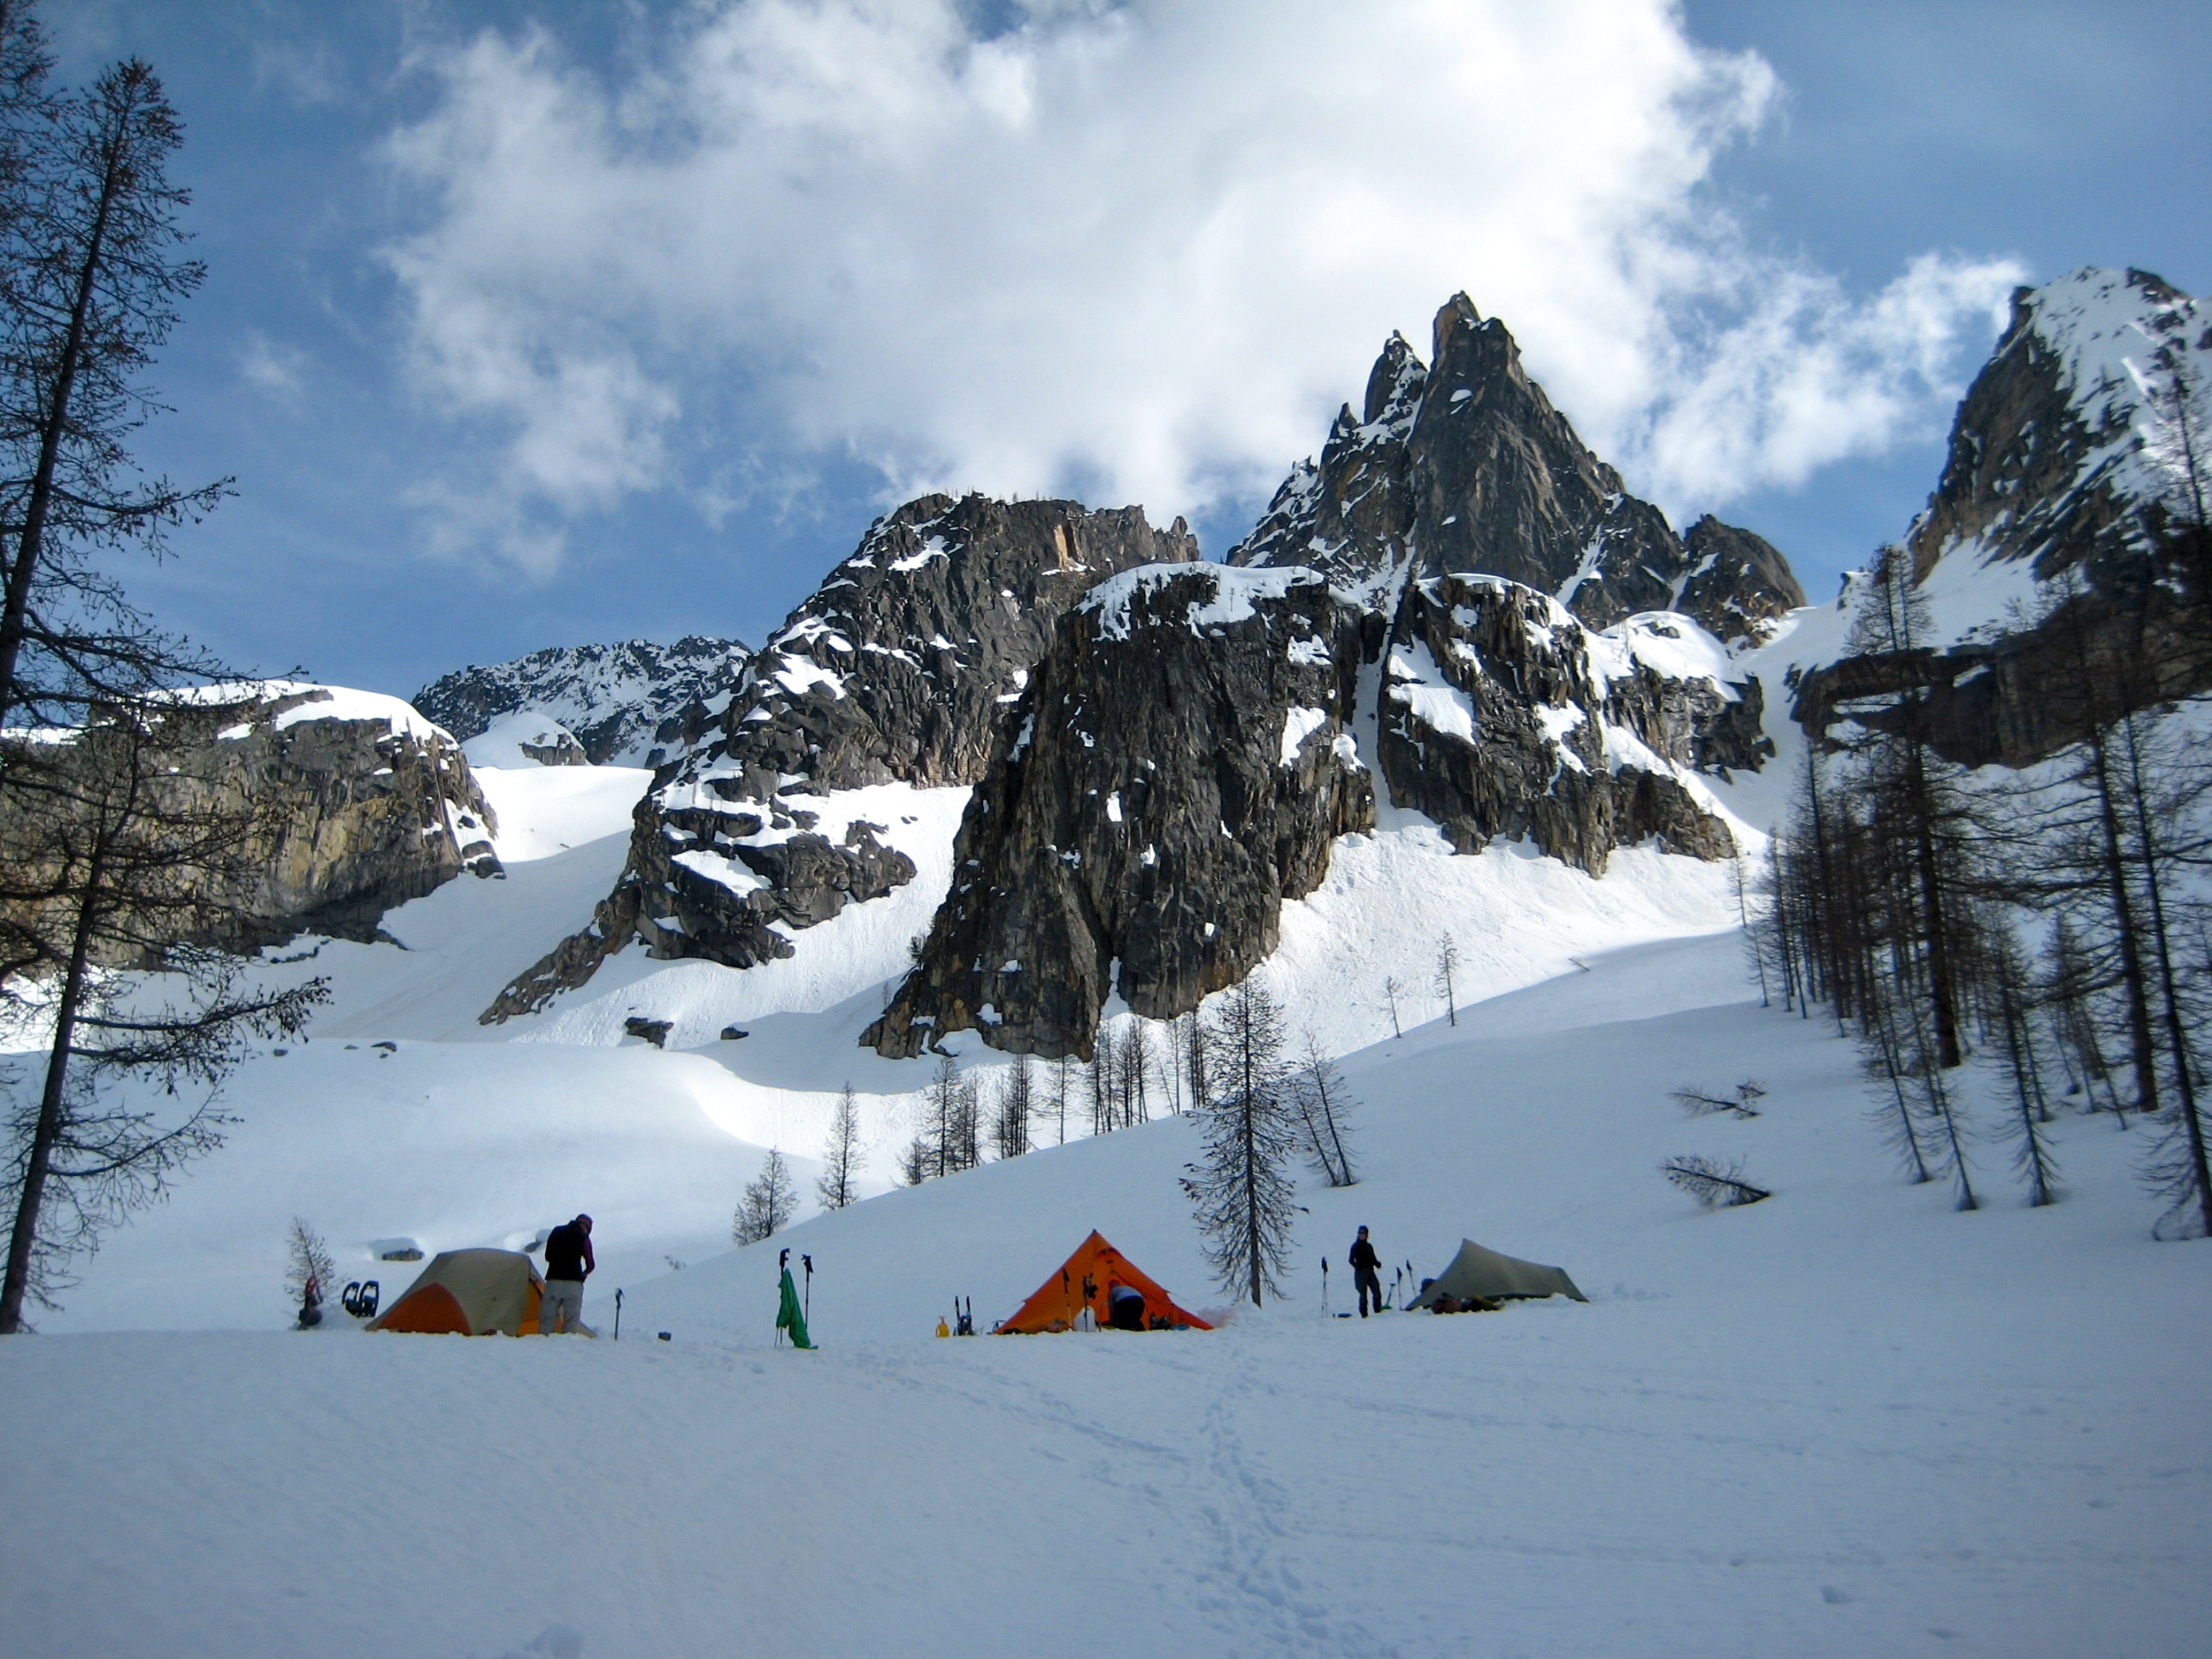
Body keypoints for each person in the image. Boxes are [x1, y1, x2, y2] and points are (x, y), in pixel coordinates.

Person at [541, 1214, 594, 1335]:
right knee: (571, 1320)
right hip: (574, 1283)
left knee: (548, 1318)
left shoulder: (557, 1231)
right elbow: (590, 1264)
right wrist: (584, 1274)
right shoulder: (584, 1237)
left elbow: (548, 1256)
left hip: (553, 1281)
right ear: (587, 1227)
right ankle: (567, 1348)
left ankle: (543, 1346)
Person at [1349, 1225, 1385, 1317]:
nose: (1362, 1235)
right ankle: (1364, 1315)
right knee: (1363, 1294)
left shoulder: (1369, 1246)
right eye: (1360, 1233)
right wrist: (1357, 1267)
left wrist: (1377, 1264)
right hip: (1360, 1273)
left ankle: (1378, 1311)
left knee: (1376, 1291)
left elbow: (1373, 1258)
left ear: (1366, 1235)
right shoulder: (1355, 1246)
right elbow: (1351, 1260)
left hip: (1370, 1272)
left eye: (1364, 1234)